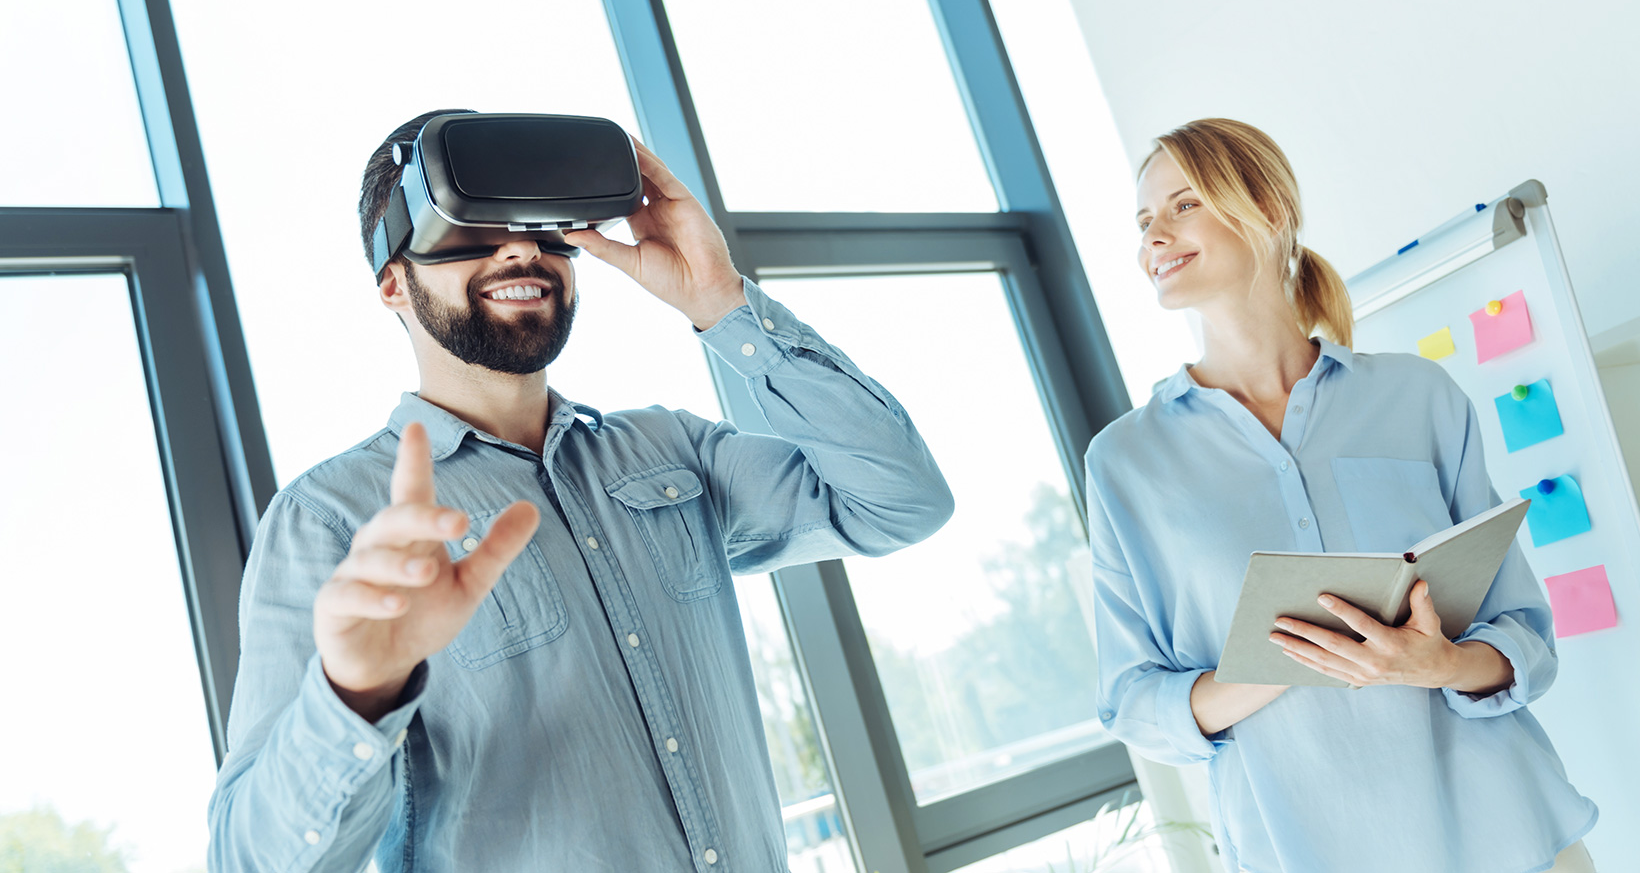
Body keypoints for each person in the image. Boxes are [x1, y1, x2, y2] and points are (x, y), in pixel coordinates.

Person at [206, 109, 954, 872]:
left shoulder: (671, 450)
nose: (521, 247)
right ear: (395, 282)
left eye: (540, 223)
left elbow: (902, 499)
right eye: (471, 225)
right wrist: (354, 695)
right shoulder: (330, 522)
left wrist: (723, 303)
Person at [1085, 118, 1596, 872]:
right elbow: (1132, 701)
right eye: (1143, 222)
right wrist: (1274, 663)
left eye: (1182, 206)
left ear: (1266, 208)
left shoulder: (1419, 397)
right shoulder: (1126, 461)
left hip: (1512, 835)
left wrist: (1439, 665)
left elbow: (1523, 635)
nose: (1151, 239)